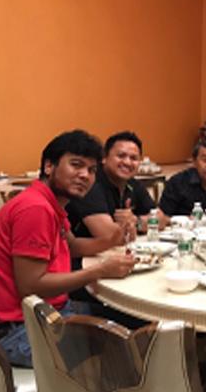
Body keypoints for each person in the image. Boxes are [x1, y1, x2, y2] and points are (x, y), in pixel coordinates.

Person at [0, 130, 136, 367]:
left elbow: (71, 246)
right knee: (127, 343)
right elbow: (30, 285)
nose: (85, 175)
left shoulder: (49, 203)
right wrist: (99, 270)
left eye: (92, 170)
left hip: (51, 311)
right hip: (20, 331)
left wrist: (114, 238)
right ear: (49, 166)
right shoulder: (36, 209)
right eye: (76, 165)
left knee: (131, 319)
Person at [66, 131, 155, 323]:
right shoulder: (91, 184)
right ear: (104, 159)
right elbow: (110, 236)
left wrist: (136, 222)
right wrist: (126, 229)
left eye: (134, 158)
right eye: (121, 156)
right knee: (144, 313)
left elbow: (160, 218)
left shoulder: (132, 184)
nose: (127, 162)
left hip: (106, 260)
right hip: (78, 271)